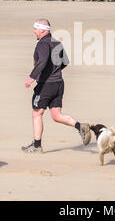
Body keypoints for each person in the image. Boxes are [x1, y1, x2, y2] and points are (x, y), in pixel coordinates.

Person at [21, 19, 91, 153]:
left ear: (42, 30)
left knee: (37, 113)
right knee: (56, 115)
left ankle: (36, 145)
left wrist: (32, 77)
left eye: (35, 29)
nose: (34, 31)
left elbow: (42, 61)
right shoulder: (56, 42)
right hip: (58, 83)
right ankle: (80, 126)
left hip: (46, 85)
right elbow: (65, 62)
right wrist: (54, 71)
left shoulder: (42, 44)